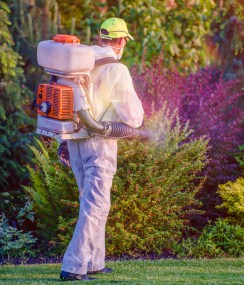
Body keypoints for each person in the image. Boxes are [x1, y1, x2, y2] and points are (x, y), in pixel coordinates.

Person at [60, 17, 144, 281]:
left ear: (101, 39)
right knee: (96, 205)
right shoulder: (116, 70)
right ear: (121, 42)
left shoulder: (80, 66)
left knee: (90, 202)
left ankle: (95, 262)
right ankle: (73, 266)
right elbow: (132, 117)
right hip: (100, 143)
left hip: (74, 140)